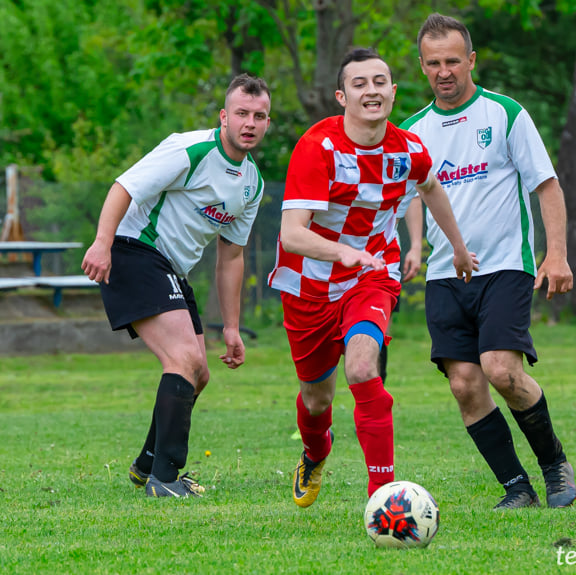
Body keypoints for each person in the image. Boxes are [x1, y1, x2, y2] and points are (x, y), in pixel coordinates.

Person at [268, 47, 476, 507]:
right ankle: (315, 452)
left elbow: (432, 188)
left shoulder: (409, 149)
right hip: (308, 284)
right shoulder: (316, 147)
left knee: (363, 368)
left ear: (394, 92)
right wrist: (344, 252)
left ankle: (383, 496)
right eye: (360, 84)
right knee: (317, 400)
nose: (371, 91)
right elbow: (292, 235)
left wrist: (458, 249)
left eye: (379, 82)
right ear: (342, 96)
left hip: (372, 276)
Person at [401, 13, 576, 510]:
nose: (444, 71)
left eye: (453, 61)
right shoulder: (411, 131)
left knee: (502, 371)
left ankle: (553, 465)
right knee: (463, 383)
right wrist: (414, 246)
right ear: (422, 67)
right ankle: (516, 488)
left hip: (504, 267)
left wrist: (556, 254)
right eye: (433, 63)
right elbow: (410, 196)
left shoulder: (504, 113)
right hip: (444, 275)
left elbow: (547, 185)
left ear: (471, 60)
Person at [81, 74, 271, 498]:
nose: (250, 123)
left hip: (170, 268)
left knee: (198, 373)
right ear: (224, 116)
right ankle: (164, 480)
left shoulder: (252, 183)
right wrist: (102, 243)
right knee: (184, 359)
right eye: (241, 113)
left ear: (267, 123)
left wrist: (233, 327)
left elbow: (232, 256)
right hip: (133, 250)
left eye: (259, 116)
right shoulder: (190, 149)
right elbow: (124, 186)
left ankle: (147, 465)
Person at [378, 194, 424, 383]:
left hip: (383, 261)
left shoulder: (397, 164)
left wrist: (416, 246)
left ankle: (374, 401)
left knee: (377, 336)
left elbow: (413, 193)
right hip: (335, 262)